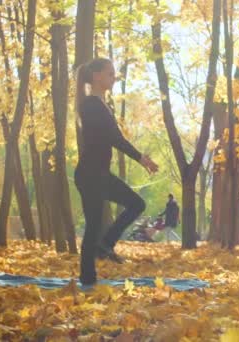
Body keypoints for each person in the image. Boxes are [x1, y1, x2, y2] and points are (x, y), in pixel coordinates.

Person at [74, 58, 158, 286]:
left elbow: (113, 138)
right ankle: (89, 275)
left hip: (97, 173)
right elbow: (115, 139)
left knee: (135, 205)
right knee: (95, 224)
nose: (113, 78)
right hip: (91, 174)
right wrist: (141, 159)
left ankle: (103, 248)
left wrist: (141, 158)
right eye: (110, 74)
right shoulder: (91, 105)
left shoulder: (101, 105)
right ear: (97, 76)